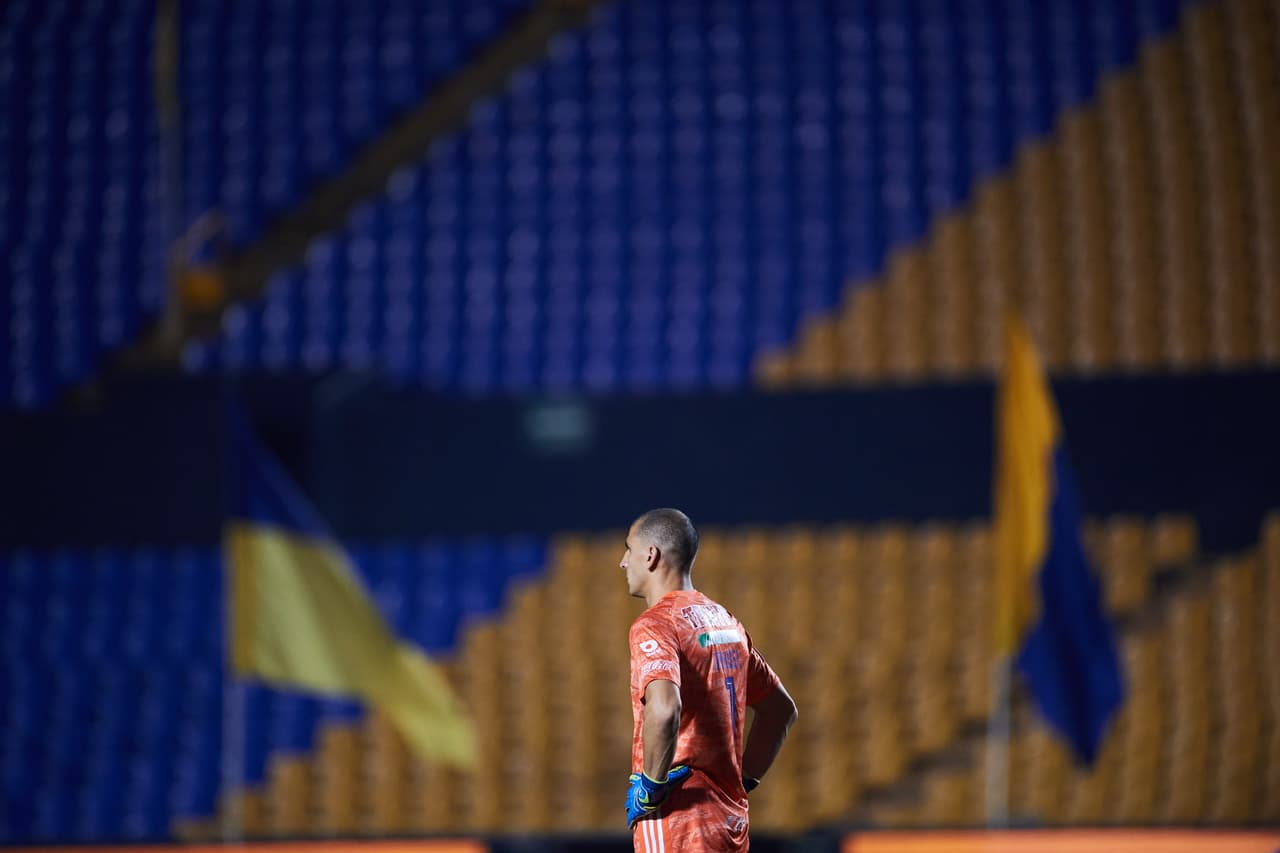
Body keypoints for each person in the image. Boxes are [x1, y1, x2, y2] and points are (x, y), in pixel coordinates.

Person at [621, 508, 798, 852]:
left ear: (651, 555)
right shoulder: (725, 622)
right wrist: (741, 782)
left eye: (628, 549)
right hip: (728, 822)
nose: (623, 562)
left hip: (679, 821)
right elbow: (780, 710)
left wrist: (652, 786)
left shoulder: (655, 624)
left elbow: (665, 708)